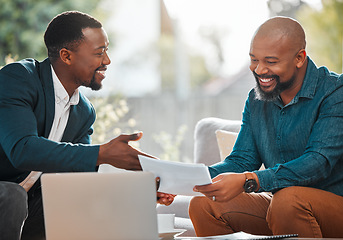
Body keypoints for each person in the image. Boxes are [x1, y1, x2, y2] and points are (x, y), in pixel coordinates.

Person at [0, 11, 174, 240]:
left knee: (63, 202)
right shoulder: (19, 78)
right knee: (13, 195)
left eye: (107, 50)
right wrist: (103, 153)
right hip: (7, 194)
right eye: (99, 52)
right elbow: (22, 149)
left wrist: (140, 191)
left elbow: (78, 182)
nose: (107, 61)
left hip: (29, 202)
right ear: (66, 56)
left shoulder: (83, 111)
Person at [189, 16, 343, 238]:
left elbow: (318, 162)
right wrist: (184, 180)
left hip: (332, 205)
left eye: (271, 62)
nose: (259, 70)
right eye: (254, 59)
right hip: (282, 206)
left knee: (287, 201)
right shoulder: (256, 99)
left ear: (299, 58)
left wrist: (252, 180)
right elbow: (241, 161)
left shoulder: (335, 92)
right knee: (203, 205)